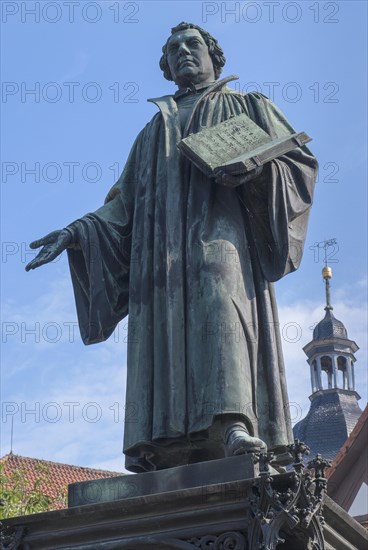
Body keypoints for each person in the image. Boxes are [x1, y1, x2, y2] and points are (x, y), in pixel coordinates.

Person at [26, 22, 318, 473]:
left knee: (223, 307)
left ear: (213, 56)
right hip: (160, 257)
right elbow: (123, 203)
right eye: (173, 48)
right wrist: (77, 232)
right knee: (159, 330)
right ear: (166, 65)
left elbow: (296, 161)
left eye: (192, 44)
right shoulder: (151, 132)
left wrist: (257, 171)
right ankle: (159, 443)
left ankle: (233, 422)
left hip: (222, 238)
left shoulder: (247, 105)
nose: (183, 52)